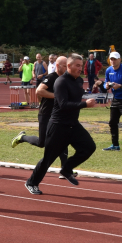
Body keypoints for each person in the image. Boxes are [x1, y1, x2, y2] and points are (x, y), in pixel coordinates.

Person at [24, 54, 99, 194]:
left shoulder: (79, 81)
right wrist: (84, 105)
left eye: (81, 66)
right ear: (68, 66)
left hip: (73, 124)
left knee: (89, 147)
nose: (80, 68)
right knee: (48, 159)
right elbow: (63, 104)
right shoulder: (60, 82)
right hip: (58, 125)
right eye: (77, 65)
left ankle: (66, 169)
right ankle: (31, 182)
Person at [12, 55, 69, 169]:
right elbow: (39, 91)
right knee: (41, 143)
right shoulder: (51, 77)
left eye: (68, 66)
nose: (67, 68)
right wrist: (57, 97)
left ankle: (65, 168)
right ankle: (22, 137)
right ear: (57, 66)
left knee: (62, 138)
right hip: (46, 113)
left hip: (58, 114)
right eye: (64, 66)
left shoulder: (66, 79)